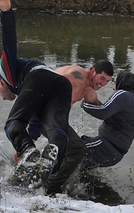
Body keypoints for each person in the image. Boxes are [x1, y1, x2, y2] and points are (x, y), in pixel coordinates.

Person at [0, 0, 72, 188]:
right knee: (57, 130)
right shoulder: (27, 89)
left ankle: (28, 152)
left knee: (12, 124)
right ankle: (48, 160)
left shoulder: (7, 72)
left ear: (0, 82)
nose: (3, 97)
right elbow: (36, 119)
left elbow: (9, 44)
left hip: (38, 78)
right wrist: (32, 140)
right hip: (62, 84)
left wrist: (6, 13)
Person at [41, 60, 114, 195]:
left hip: (54, 120)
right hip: (43, 115)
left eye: (107, 81)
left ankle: (44, 173)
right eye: (102, 78)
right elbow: (45, 82)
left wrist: (118, 117)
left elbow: (100, 107)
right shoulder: (76, 77)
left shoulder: (88, 89)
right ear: (93, 71)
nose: (103, 84)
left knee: (69, 146)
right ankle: (50, 188)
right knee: (78, 148)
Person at [80, 70, 134, 171]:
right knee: (79, 166)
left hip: (106, 146)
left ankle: (51, 180)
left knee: (73, 148)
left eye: (115, 83)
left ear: (122, 83)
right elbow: (111, 114)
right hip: (115, 153)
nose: (114, 87)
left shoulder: (122, 93)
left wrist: (85, 102)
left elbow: (103, 112)